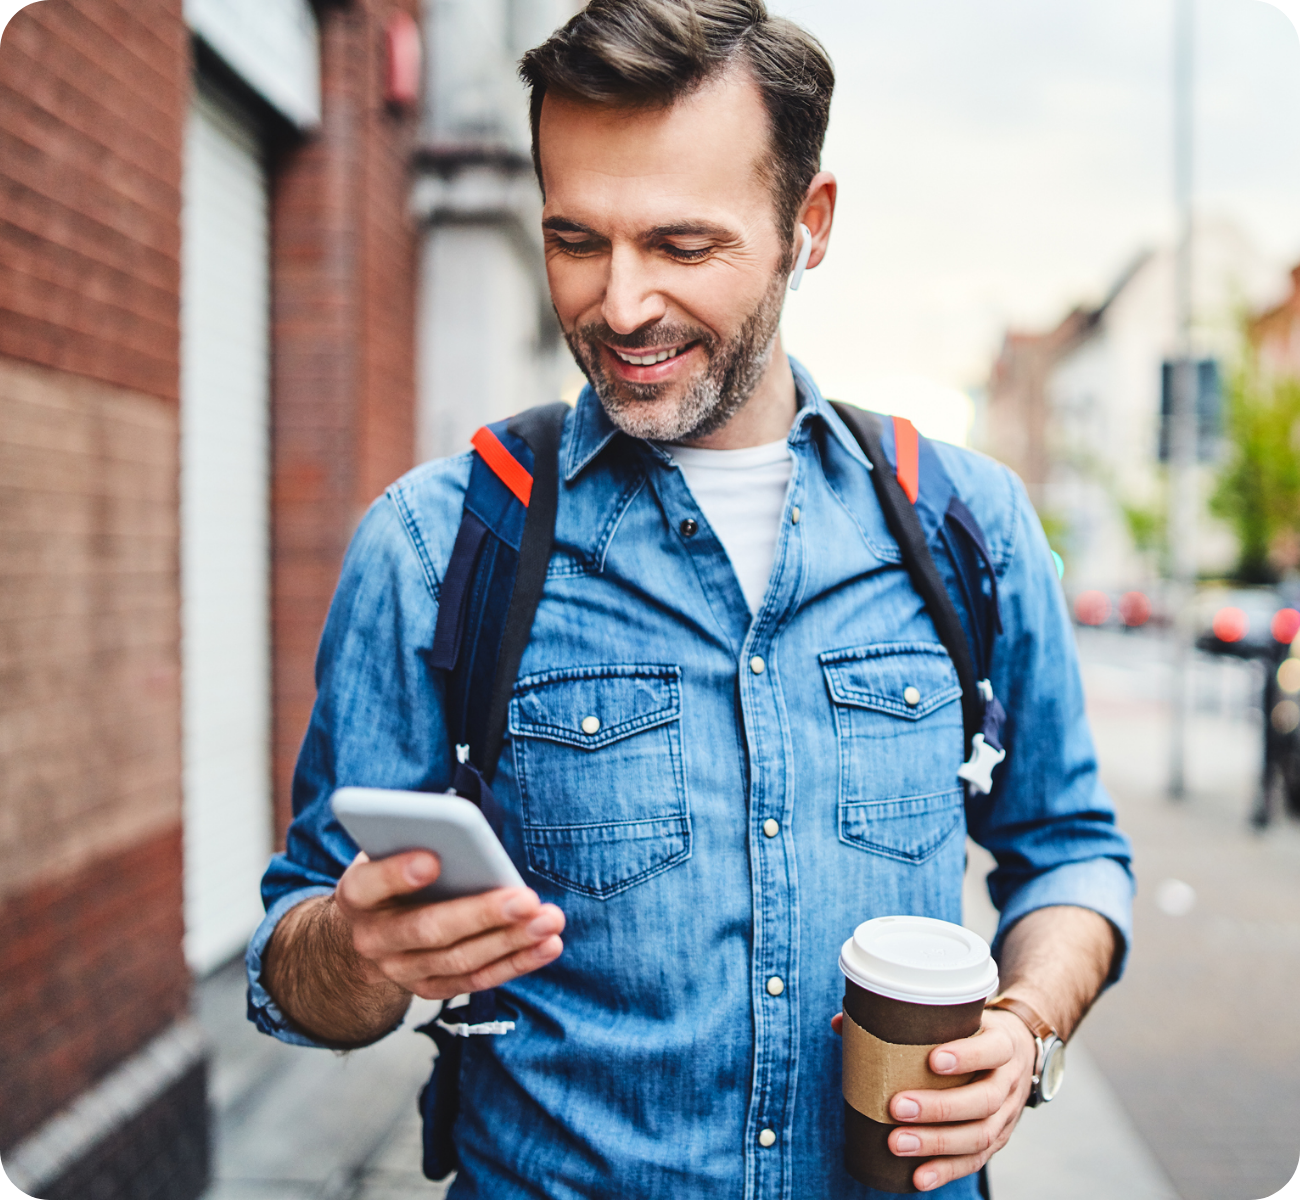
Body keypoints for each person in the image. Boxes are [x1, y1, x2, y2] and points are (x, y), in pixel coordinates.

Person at [247, 3, 1133, 1196]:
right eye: (576, 239)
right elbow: (294, 972)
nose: (618, 307)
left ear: (805, 226)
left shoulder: (964, 526)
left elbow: (1071, 853)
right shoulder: (434, 546)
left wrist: (1026, 1030)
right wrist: (357, 954)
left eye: (680, 245)